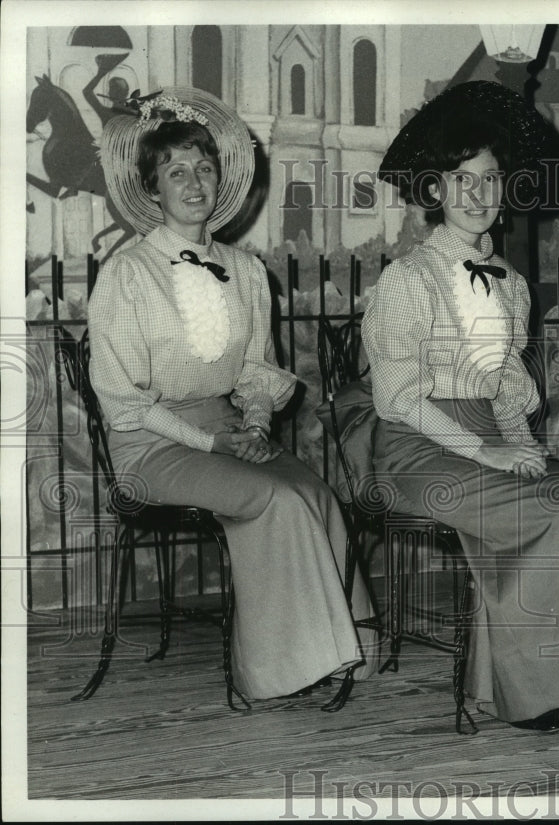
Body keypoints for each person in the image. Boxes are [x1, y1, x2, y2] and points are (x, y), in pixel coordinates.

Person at [363, 81, 559, 734]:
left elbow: (501, 392)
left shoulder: (514, 285)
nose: (478, 194)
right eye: (461, 179)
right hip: (418, 451)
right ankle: (545, 686)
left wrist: (515, 432)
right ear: (435, 191)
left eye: (491, 179)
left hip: (484, 441)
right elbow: (401, 398)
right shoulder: (406, 281)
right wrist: (490, 451)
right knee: (555, 508)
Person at [88, 87, 376, 701]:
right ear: (153, 187)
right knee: (275, 498)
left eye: (205, 168)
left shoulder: (245, 272)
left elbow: (256, 371)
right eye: (176, 171)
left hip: (227, 432)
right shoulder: (126, 274)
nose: (194, 183)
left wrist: (252, 426)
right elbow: (123, 398)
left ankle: (340, 643)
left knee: (314, 492)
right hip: (151, 446)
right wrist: (208, 438)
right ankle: (282, 669)